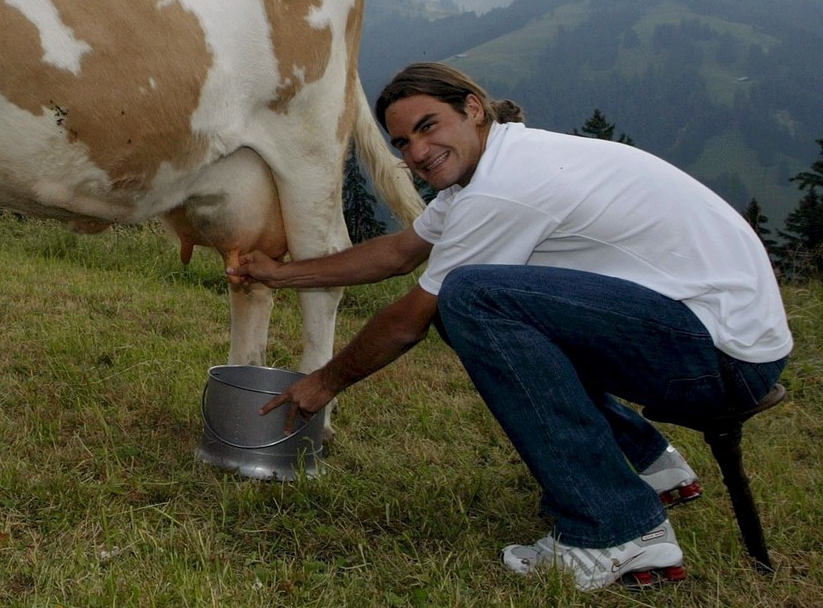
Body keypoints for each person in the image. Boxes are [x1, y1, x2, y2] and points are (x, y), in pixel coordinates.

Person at [227, 62, 791, 592]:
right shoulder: (487, 168)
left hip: (720, 357)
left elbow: (407, 319)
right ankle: (650, 466)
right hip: (712, 331)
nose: (418, 152)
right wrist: (282, 274)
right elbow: (399, 252)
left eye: (428, 127)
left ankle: (619, 529)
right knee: (470, 304)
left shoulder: (503, 185)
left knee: (469, 297)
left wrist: (323, 383)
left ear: (473, 108)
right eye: (403, 143)